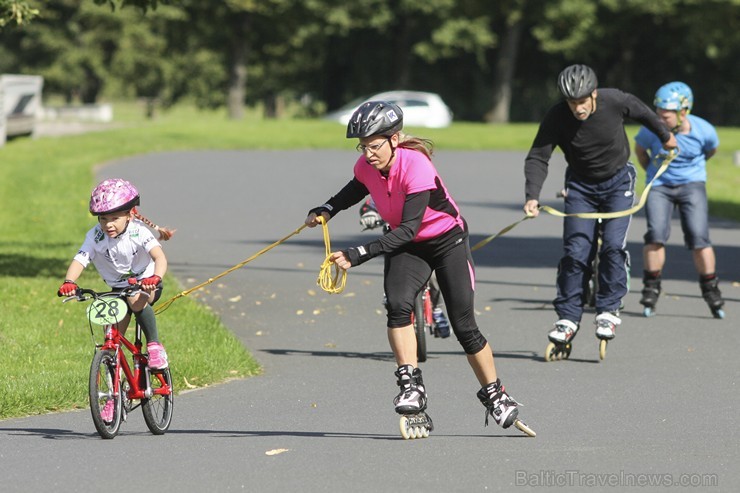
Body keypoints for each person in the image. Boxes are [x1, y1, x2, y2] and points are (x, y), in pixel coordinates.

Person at [305, 101, 530, 432]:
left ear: (394, 140)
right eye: (362, 146)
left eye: (375, 146)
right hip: (408, 245)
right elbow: (354, 189)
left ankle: (496, 394)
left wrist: (357, 254)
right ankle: (410, 385)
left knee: (464, 325)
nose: (368, 154)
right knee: (397, 306)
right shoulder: (366, 165)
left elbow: (409, 228)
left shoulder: (416, 166)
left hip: (445, 240)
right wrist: (326, 208)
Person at [523, 64, 677, 350]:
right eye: (572, 102)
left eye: (582, 101)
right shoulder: (557, 116)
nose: (577, 108)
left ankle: (608, 310)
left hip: (619, 182)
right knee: (575, 251)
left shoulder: (615, 100)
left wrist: (666, 136)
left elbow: (645, 114)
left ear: (594, 94)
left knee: (612, 247)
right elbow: (537, 157)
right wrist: (532, 195)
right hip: (580, 187)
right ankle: (568, 318)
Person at [58, 178, 174, 376]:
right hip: (118, 289)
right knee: (111, 340)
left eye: (114, 219)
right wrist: (70, 282)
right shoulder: (95, 236)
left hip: (145, 285)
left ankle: (155, 346)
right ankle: (113, 395)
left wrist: (155, 278)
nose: (108, 224)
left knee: (135, 300)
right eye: (103, 219)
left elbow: (159, 257)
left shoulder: (138, 232)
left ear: (129, 215)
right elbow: (81, 259)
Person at [633, 82, 724, 317]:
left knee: (699, 236)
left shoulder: (704, 130)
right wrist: (652, 173)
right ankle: (651, 288)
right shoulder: (651, 129)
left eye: (667, 115)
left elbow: (710, 150)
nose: (661, 119)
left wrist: (693, 172)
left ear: (684, 111)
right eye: (658, 114)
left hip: (691, 184)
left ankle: (710, 289)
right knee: (655, 234)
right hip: (660, 185)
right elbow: (640, 151)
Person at [359, 197, 450, 338]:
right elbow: (371, 204)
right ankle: (391, 298)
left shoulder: (422, 187)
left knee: (434, 277)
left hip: (424, 240)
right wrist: (369, 215)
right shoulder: (386, 191)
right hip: (396, 243)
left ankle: (436, 309)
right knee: (393, 275)